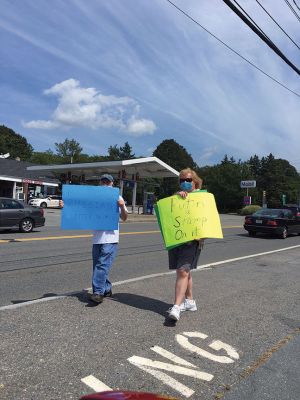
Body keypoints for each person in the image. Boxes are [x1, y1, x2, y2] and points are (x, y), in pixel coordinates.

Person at [167, 168, 204, 321]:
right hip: (177, 239)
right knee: (184, 271)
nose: (184, 183)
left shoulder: (202, 197)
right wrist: (176, 197)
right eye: (181, 180)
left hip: (192, 241)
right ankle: (189, 302)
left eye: (188, 180)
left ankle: (176, 307)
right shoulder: (178, 196)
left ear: (195, 181)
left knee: (183, 271)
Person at [89, 174, 128, 303]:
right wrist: (67, 206)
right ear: (100, 183)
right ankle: (106, 289)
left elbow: (124, 217)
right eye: (103, 181)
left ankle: (98, 293)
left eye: (108, 182)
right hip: (97, 238)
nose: (105, 184)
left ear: (112, 184)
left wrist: (122, 206)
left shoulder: (117, 196)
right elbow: (82, 209)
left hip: (110, 238)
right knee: (98, 266)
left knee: (101, 265)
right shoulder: (94, 198)